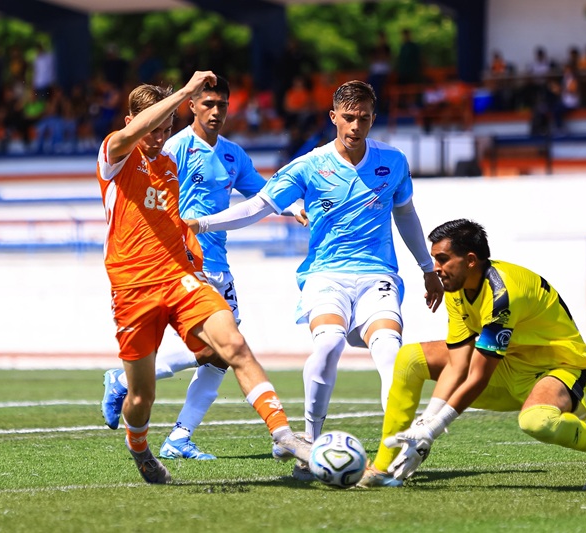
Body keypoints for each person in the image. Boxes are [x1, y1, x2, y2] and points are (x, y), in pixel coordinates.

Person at [186, 80, 444, 479]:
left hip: (378, 274)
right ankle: (309, 445)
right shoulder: (308, 165)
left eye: (364, 118)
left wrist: (427, 268)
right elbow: (257, 206)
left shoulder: (393, 161)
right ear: (333, 117)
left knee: (390, 353)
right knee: (328, 344)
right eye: (348, 117)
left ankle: (393, 452)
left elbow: (406, 214)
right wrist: (201, 223)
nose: (355, 126)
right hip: (326, 276)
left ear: (373, 118)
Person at [95, 70, 310, 484]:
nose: (160, 138)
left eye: (166, 129)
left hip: (182, 277)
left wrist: (289, 206)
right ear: (131, 123)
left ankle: (284, 435)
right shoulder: (115, 155)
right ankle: (139, 446)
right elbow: (134, 136)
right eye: (154, 129)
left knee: (233, 345)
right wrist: (185, 92)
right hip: (133, 288)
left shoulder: (170, 167)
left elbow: (243, 199)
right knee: (141, 397)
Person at [362, 218, 586, 491]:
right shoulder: (457, 287)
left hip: (556, 369)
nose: (436, 268)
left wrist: (433, 430)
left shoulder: (503, 296)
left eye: (442, 259)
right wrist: (427, 422)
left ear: (470, 260)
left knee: (537, 422)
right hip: (506, 365)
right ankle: (384, 468)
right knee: (410, 358)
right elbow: (458, 365)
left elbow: (477, 376)